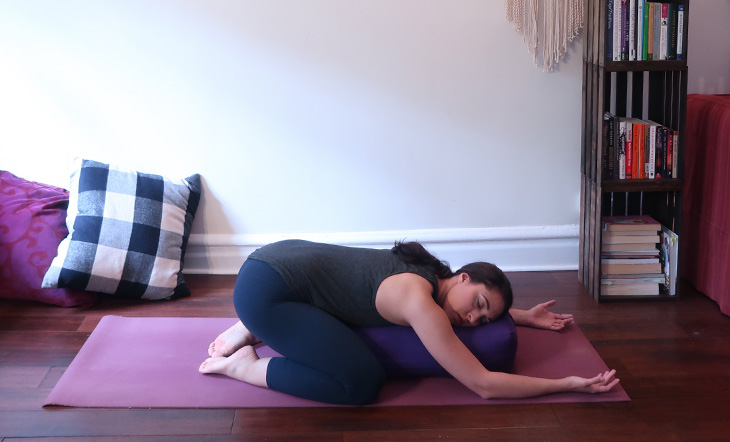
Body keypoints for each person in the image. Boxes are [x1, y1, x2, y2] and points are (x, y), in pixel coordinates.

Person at [199, 239, 619, 405]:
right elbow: (483, 384)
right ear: (463, 277)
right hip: (266, 290)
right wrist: (567, 384)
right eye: (477, 303)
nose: (473, 318)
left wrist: (523, 316)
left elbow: (468, 305)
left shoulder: (426, 271)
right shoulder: (420, 302)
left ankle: (251, 327)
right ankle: (246, 363)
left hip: (274, 261)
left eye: (483, 318)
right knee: (359, 383)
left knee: (339, 314)